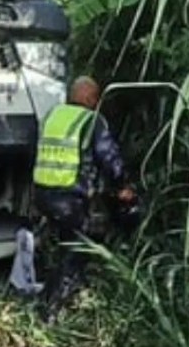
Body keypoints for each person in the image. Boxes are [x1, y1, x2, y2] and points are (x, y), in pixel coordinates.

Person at [31, 76, 139, 316]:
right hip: (68, 199)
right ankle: (51, 310)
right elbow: (108, 157)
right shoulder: (92, 120)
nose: (97, 102)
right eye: (96, 97)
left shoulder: (52, 115)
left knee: (60, 243)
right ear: (89, 97)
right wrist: (123, 185)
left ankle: (47, 293)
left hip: (42, 195)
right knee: (78, 249)